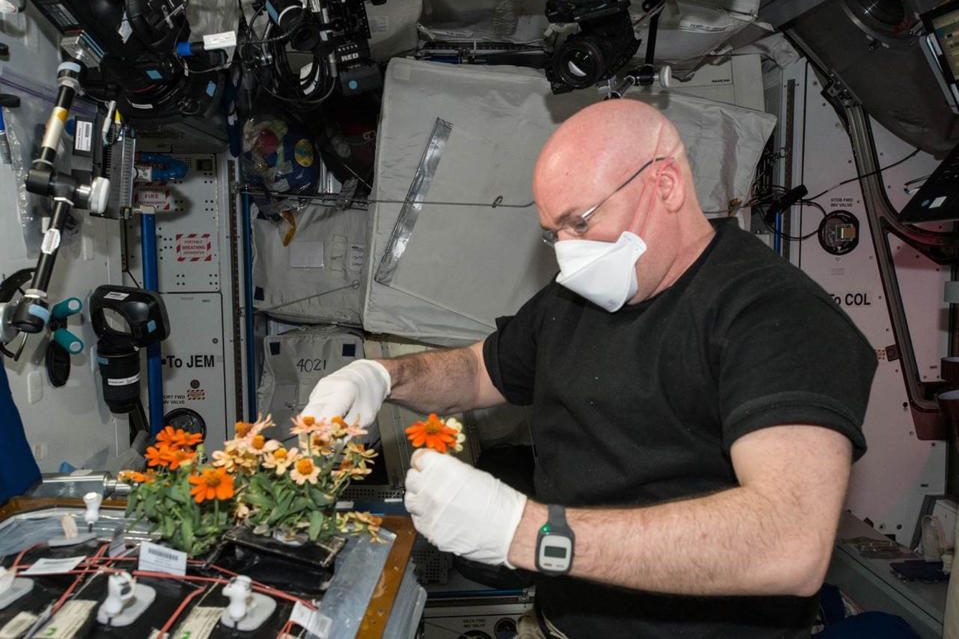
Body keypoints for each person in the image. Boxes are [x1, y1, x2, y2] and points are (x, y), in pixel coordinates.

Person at [301, 99, 877, 638]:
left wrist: (527, 533)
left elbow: (789, 544)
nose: (568, 253)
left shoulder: (774, 314)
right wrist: (383, 378)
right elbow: (482, 371)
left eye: (581, 222)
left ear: (665, 184)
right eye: (554, 234)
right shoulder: (580, 297)